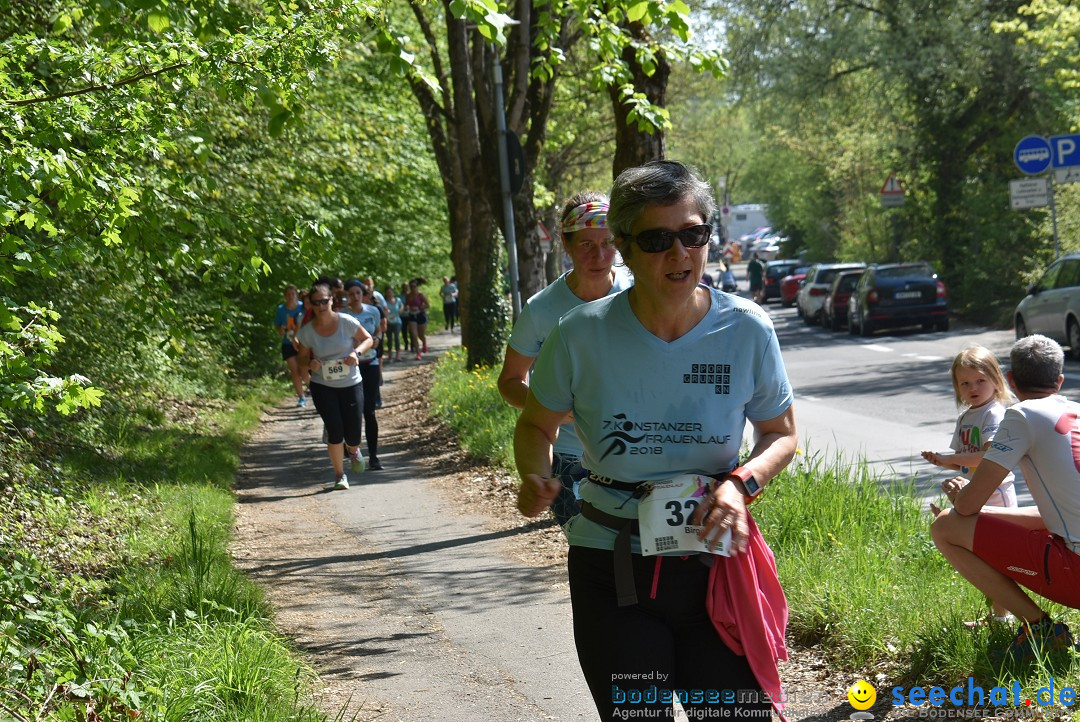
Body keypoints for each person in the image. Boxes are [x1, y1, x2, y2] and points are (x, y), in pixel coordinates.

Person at [515, 161, 797, 721]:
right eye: (656, 239)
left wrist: (742, 485)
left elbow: (780, 434)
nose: (679, 254)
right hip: (612, 567)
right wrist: (533, 474)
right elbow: (535, 424)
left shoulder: (746, 327)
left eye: (693, 235)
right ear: (623, 244)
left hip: (713, 567)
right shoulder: (580, 333)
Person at [931, 335, 1079, 662]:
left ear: (1009, 380)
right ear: (1059, 381)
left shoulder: (1022, 415)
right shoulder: (1077, 412)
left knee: (945, 527)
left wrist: (963, 501)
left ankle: (1040, 628)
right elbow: (1057, 516)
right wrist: (985, 511)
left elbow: (967, 506)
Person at [497, 191, 631, 528]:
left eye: (608, 242)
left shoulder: (639, 294)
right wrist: (551, 408)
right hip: (571, 456)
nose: (599, 255)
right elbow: (510, 382)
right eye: (586, 244)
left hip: (634, 450)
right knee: (591, 552)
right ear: (566, 245)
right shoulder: (541, 309)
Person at [922, 346, 1017, 625]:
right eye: (965, 383)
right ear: (956, 388)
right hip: (975, 492)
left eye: (980, 381)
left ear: (996, 381)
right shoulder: (966, 417)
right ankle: (999, 616)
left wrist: (948, 458)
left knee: (998, 557)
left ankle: (1004, 618)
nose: (973, 388)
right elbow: (965, 462)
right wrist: (943, 463)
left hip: (995, 492)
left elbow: (987, 455)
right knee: (985, 557)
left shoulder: (994, 414)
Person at [295, 282, 374, 490]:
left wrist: (355, 354)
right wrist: (309, 363)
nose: (321, 306)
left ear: (332, 300)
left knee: (353, 434)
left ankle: (354, 449)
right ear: (310, 305)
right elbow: (301, 359)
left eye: (325, 301)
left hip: (351, 383)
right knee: (335, 430)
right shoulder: (307, 332)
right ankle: (340, 475)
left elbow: (368, 339)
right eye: (316, 302)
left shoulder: (346, 322)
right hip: (323, 385)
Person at [345, 281, 387, 470]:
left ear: (363, 294)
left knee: (369, 411)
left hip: (370, 364)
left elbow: (378, 330)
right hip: (350, 368)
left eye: (358, 293)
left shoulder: (373, 311)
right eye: (351, 294)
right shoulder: (343, 316)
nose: (355, 297)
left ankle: (374, 456)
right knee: (352, 413)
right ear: (347, 296)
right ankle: (352, 450)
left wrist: (377, 338)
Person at [274, 284, 307, 407]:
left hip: (303, 343)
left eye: (293, 294)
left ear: (297, 295)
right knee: (294, 370)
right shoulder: (281, 309)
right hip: (288, 343)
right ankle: (301, 397)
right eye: (288, 294)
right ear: (284, 296)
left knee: (304, 370)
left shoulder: (302, 307)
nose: (291, 297)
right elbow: (277, 326)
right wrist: (280, 330)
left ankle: (314, 390)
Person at [405, 278, 430, 360]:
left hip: (420, 315)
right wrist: (407, 308)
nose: (413, 288)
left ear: (417, 287)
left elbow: (427, 305)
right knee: (414, 335)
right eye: (411, 287)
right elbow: (406, 306)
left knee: (420, 335)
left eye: (414, 286)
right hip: (412, 316)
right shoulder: (408, 296)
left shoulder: (420, 295)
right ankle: (418, 353)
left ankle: (424, 342)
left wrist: (419, 308)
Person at [384, 285, 404, 362]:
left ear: (393, 292)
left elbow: (402, 306)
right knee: (389, 339)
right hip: (388, 322)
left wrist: (400, 310)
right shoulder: (385, 302)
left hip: (397, 322)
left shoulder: (398, 300)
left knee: (396, 337)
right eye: (388, 292)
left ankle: (398, 355)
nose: (389, 293)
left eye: (391, 291)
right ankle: (390, 355)